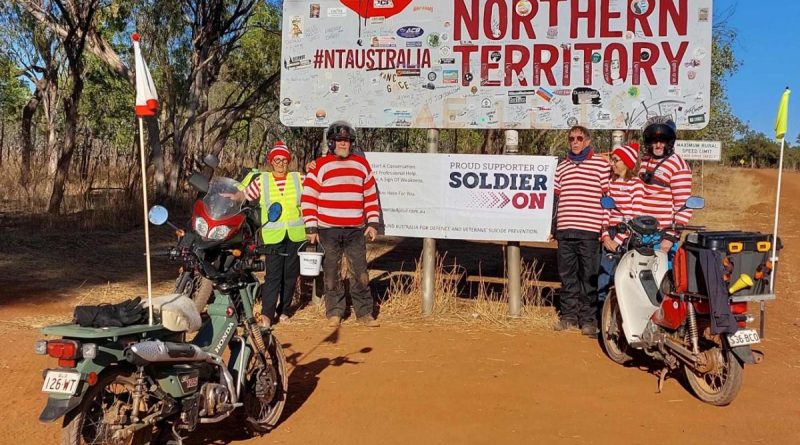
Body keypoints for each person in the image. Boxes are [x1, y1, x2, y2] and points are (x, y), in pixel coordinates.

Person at [302, 121, 381, 328]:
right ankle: (335, 313)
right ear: (331, 143)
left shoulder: (362, 165)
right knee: (331, 273)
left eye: (347, 141)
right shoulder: (319, 165)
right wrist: (311, 226)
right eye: (339, 141)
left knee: (360, 272)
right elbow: (309, 197)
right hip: (327, 230)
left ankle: (364, 313)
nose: (343, 144)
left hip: (356, 230)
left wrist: (372, 223)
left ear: (352, 143)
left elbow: (370, 196)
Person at [550, 126, 610, 336]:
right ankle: (568, 317)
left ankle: (589, 321)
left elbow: (607, 200)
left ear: (587, 141)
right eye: (571, 139)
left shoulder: (601, 166)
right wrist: (553, 227)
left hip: (590, 230)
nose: (575, 142)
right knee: (567, 277)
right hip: (565, 230)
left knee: (589, 277)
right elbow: (555, 201)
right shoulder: (562, 167)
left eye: (579, 138)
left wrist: (605, 228)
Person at [239, 141, 306, 328]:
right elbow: (244, 195)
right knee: (272, 275)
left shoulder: (298, 178)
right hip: (272, 236)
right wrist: (228, 197)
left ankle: (284, 310)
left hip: (295, 235)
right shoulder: (262, 180)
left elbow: (315, 187)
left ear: (289, 161)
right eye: (277, 159)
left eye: (284, 160)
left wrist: (314, 167)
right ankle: (267, 314)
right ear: (271, 162)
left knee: (291, 274)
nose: (281, 163)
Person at [597, 143, 646, 304]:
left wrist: (618, 239)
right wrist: (605, 236)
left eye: (616, 160)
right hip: (609, 232)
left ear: (626, 163)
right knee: (604, 275)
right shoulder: (610, 182)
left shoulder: (636, 184)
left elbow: (634, 215)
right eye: (612, 160)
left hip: (626, 235)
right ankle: (600, 313)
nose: (612, 164)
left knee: (622, 276)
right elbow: (605, 209)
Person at [637, 117, 693, 254]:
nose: (658, 145)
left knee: (661, 274)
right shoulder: (643, 160)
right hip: (638, 230)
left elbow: (683, 206)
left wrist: (670, 237)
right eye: (654, 141)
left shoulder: (679, 166)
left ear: (669, 142)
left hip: (661, 234)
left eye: (662, 141)